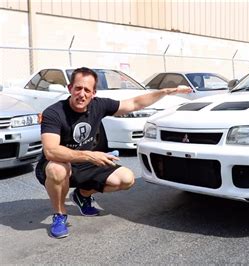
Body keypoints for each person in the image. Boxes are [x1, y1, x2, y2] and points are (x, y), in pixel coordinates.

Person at [35, 67, 191, 238]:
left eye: (87, 90)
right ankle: (59, 214)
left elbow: (134, 103)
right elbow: (51, 151)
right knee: (57, 169)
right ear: (70, 88)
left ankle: (82, 195)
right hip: (58, 163)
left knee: (126, 179)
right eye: (78, 88)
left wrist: (165, 91)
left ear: (93, 93)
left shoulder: (99, 105)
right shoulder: (54, 113)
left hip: (86, 162)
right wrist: (91, 155)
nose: (82, 94)